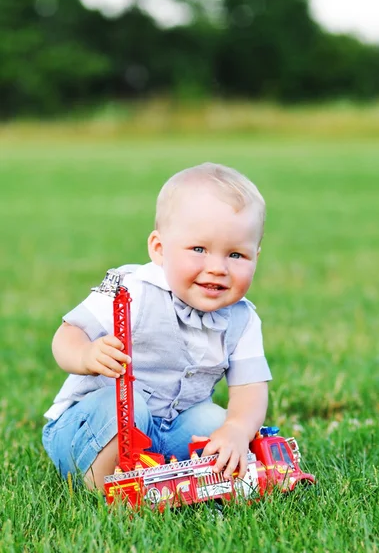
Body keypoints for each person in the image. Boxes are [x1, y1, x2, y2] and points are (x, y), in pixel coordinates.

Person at [42, 162, 272, 490]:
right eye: (198, 249)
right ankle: (105, 486)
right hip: (91, 427)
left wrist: (236, 428)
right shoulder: (133, 290)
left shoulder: (242, 318)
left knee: (215, 421)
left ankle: (182, 478)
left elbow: (250, 389)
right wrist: (86, 355)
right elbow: (67, 334)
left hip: (169, 428)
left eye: (236, 255)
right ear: (159, 249)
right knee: (125, 405)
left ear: (256, 257)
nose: (218, 268)